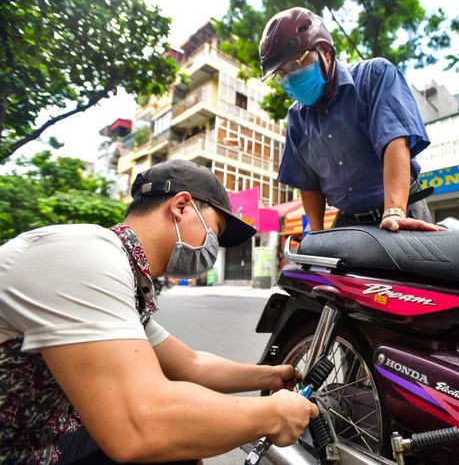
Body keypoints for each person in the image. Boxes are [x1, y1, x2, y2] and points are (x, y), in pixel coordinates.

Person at [0, 159, 319, 464]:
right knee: (170, 436)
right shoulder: (86, 256)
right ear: (181, 206)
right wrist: (271, 415)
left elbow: (190, 365)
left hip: (38, 441)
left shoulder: (126, 277)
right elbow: (139, 421)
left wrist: (275, 376)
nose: (214, 247)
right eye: (215, 232)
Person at [259, 7, 443, 233]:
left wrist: (394, 211)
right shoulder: (296, 117)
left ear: (325, 52)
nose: (288, 78)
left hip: (402, 209)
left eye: (295, 65)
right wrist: (316, 233)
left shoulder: (375, 76)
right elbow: (307, 182)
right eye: (281, 74)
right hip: (346, 222)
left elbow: (395, 141)